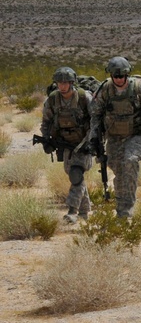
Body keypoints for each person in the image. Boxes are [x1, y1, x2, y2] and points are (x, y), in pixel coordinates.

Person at [88, 56, 141, 219]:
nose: (118, 79)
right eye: (115, 76)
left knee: (130, 162)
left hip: (135, 136)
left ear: (127, 74)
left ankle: (127, 211)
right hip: (114, 137)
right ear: (111, 76)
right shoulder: (105, 90)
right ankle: (121, 207)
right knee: (118, 171)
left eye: (121, 76)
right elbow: (95, 116)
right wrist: (94, 138)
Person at [39, 67, 94, 223]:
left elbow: (95, 121)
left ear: (71, 83)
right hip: (65, 143)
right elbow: (46, 121)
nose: (62, 86)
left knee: (76, 174)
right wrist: (46, 139)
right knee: (73, 174)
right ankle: (84, 212)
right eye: (59, 83)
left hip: (83, 143)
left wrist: (91, 141)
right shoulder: (52, 99)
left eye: (65, 83)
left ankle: (72, 211)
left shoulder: (84, 98)